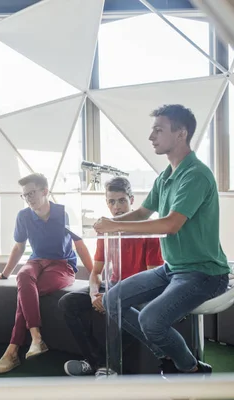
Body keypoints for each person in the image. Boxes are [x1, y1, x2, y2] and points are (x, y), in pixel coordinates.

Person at [95, 104, 230, 375]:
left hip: (204, 273)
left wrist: (115, 227)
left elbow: (171, 224)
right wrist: (112, 224)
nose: (151, 137)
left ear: (181, 133)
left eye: (158, 130)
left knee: (150, 319)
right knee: (112, 300)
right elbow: (143, 212)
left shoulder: (195, 175)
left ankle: (190, 369)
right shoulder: (165, 176)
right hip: (172, 269)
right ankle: (170, 357)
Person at [58, 177, 163, 377]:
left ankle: (103, 366)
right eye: (112, 202)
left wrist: (111, 298)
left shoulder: (148, 230)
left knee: (138, 312)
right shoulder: (105, 231)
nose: (117, 207)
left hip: (141, 290)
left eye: (122, 200)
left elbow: (151, 278)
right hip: (113, 286)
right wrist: (94, 294)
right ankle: (99, 363)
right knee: (67, 302)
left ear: (131, 200)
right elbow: (96, 272)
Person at [0, 173, 94, 374]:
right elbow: (19, 247)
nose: (28, 198)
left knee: (26, 293)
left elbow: (79, 246)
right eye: (25, 195)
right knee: (22, 276)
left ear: (45, 191)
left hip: (62, 264)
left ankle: (12, 350)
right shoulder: (24, 216)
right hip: (36, 261)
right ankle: (36, 338)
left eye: (32, 193)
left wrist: (94, 276)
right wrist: (4, 275)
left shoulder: (63, 212)